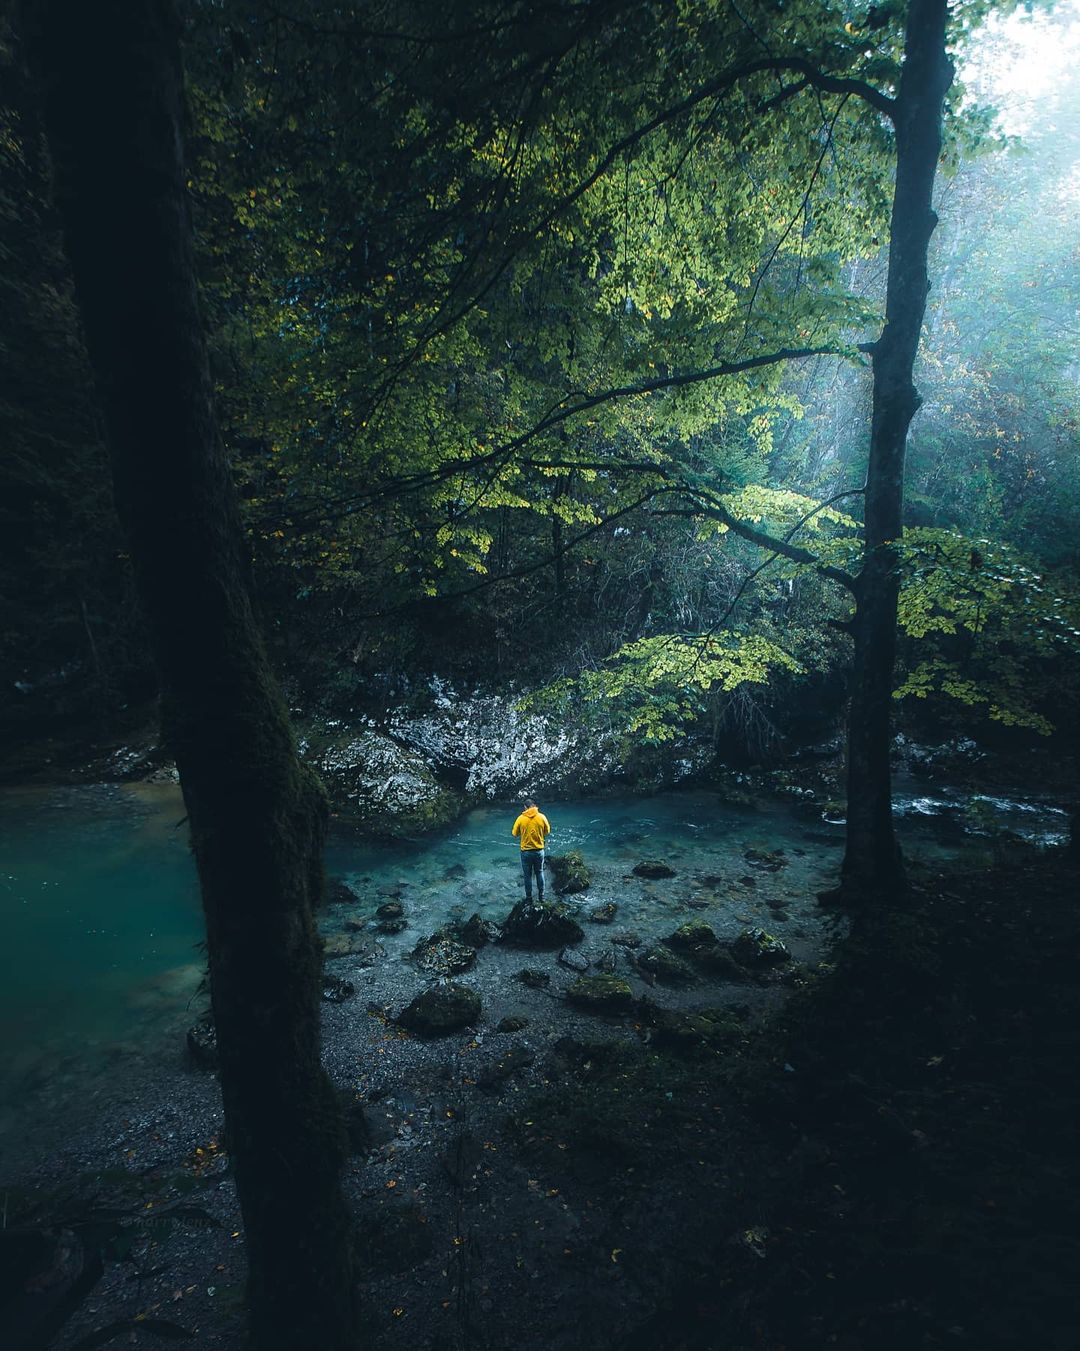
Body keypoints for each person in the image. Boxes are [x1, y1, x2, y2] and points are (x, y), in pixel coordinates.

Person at [512, 799, 551, 903]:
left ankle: (529, 898)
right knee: (539, 872)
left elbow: (514, 834)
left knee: (527, 875)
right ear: (534, 806)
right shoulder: (542, 817)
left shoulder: (520, 818)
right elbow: (547, 831)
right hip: (539, 850)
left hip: (526, 852)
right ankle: (541, 896)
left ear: (525, 807)